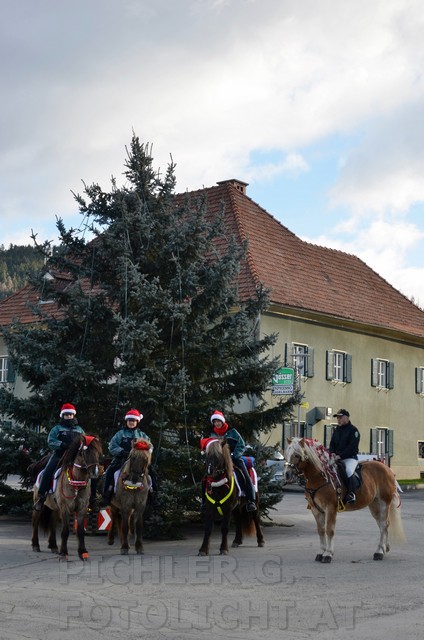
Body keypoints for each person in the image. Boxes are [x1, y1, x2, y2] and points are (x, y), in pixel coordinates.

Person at [33, 403, 85, 511]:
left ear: (73, 415)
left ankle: (92, 498)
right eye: (66, 414)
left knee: (89, 471)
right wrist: (61, 445)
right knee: (48, 470)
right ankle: (42, 496)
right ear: (63, 416)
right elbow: (51, 441)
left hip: (75, 457)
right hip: (59, 455)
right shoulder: (57, 428)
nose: (68, 416)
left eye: (70, 414)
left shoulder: (80, 429)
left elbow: (84, 441)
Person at [99, 408, 155, 508]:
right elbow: (112, 446)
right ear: (126, 421)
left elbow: (150, 446)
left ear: (137, 422)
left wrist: (146, 453)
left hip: (139, 462)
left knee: (152, 474)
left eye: (133, 421)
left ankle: (152, 495)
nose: (131, 422)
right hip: (121, 459)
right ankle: (106, 496)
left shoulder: (142, 435)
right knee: (110, 472)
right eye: (129, 420)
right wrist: (122, 452)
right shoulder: (120, 434)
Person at [206, 410, 257, 512]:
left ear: (222, 421)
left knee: (245, 475)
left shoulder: (233, 432)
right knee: (205, 477)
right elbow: (208, 446)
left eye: (218, 421)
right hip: (217, 461)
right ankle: (204, 502)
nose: (217, 423)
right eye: (215, 422)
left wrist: (235, 455)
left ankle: (251, 501)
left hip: (234, 459)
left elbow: (241, 445)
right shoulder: (212, 434)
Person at [329, 409, 360, 504]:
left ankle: (351, 494)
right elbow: (332, 444)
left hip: (350, 458)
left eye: (340, 417)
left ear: (346, 418)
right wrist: (332, 452)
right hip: (336, 458)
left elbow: (352, 447)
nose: (338, 419)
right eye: (337, 418)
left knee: (348, 471)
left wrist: (340, 456)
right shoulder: (337, 430)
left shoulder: (353, 430)